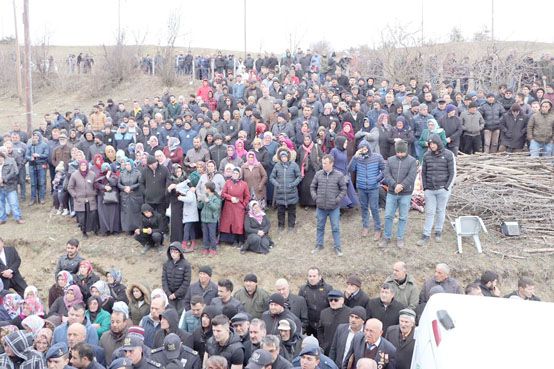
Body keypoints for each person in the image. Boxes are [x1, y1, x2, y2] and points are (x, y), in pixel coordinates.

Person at [415, 134, 456, 247]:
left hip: (443, 189)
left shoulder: (448, 154)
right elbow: (423, 172)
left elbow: (452, 172)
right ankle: (426, 234)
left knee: (440, 211)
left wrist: (447, 187)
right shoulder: (427, 155)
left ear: (438, 143)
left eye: (433, 143)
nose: (432, 146)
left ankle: (438, 231)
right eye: (430, 144)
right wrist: (425, 188)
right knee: (429, 212)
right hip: (430, 190)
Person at [380, 140, 417, 248]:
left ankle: (400, 238)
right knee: (388, 216)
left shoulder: (412, 161)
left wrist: (401, 186)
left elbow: (411, 176)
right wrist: (394, 185)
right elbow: (386, 174)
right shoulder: (390, 160)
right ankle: (387, 237)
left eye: (402, 152)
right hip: (392, 192)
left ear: (406, 151)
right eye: (398, 152)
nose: (400, 154)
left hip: (405, 193)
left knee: (403, 217)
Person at [310, 154, 347, 256]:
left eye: (325, 163)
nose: (323, 165)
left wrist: (337, 200)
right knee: (319, 227)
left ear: (331, 164)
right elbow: (312, 187)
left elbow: (343, 189)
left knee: (335, 228)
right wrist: (315, 198)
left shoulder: (339, 175)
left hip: (334, 208)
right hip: (321, 207)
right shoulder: (318, 174)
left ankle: (337, 247)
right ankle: (319, 245)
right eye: (322, 163)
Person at [347, 140, 384, 240]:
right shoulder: (358, 159)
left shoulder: (377, 157)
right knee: (363, 208)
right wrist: (354, 157)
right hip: (361, 188)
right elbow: (350, 169)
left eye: (365, 147)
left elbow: (384, 170)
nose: (364, 149)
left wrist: (377, 179)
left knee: (374, 208)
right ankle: (365, 226)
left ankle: (378, 229)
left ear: (368, 147)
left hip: (373, 188)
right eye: (362, 148)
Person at [269, 148, 301, 230]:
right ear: (280, 158)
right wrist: (277, 184)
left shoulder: (294, 165)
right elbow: (271, 177)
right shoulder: (277, 166)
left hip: (291, 192)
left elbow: (299, 176)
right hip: (280, 192)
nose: (284, 158)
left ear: (288, 157)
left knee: (292, 211)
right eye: (282, 157)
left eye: (285, 156)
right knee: (280, 211)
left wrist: (293, 184)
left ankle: (291, 225)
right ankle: (281, 225)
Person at [219, 167, 251, 248]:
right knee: (230, 223)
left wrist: (243, 204)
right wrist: (230, 198)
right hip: (229, 206)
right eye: (234, 173)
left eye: (237, 173)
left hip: (239, 206)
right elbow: (223, 193)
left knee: (238, 223)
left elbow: (247, 196)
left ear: (239, 174)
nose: (235, 175)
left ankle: (240, 240)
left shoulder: (244, 184)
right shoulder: (228, 183)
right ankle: (232, 240)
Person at [298, 267, 333, 337]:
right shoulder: (303, 289)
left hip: (323, 324)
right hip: (308, 326)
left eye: (314, 276)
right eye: (310, 276)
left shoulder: (328, 289)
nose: (312, 278)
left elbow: (332, 305)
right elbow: (300, 307)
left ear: (319, 277)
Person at [67, 160, 98, 238]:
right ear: (79, 166)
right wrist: (75, 195)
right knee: (82, 217)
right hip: (80, 200)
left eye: (85, 165)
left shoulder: (92, 174)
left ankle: (94, 229)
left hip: (91, 199)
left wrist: (94, 193)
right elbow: (70, 187)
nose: (83, 167)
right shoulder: (74, 175)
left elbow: (96, 185)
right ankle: (84, 232)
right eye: (82, 165)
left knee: (92, 215)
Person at [318, 291, 351, 356]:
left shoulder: (349, 313)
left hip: (343, 349)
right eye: (330, 300)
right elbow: (320, 330)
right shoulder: (324, 313)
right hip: (327, 349)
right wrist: (323, 344)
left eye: (336, 300)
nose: (333, 302)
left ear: (342, 301)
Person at [162, 242, 192, 315]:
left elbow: (186, 282)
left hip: (182, 296)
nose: (173, 254)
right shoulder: (167, 264)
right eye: (172, 251)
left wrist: (176, 294)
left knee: (180, 314)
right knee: (170, 314)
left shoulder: (186, 265)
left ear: (180, 253)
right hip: (169, 295)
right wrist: (168, 293)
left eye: (176, 252)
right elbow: (164, 280)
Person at [118, 159, 143, 235]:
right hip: (125, 195)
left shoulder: (137, 173)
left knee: (135, 213)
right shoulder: (122, 173)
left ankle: (136, 228)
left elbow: (140, 183)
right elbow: (119, 183)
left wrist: (131, 187)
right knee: (126, 213)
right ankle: (127, 229)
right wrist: (124, 188)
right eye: (126, 165)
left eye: (129, 165)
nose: (127, 166)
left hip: (134, 195)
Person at [296, 135, 323, 207]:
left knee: (314, 186)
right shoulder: (301, 148)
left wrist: (319, 165)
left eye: (308, 140)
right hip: (305, 171)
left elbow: (321, 156)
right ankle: (306, 203)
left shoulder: (316, 147)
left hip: (314, 170)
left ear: (310, 140)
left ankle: (314, 202)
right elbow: (298, 159)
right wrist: (300, 167)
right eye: (305, 140)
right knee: (305, 187)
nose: (307, 141)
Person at [25, 131, 49, 205]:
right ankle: (33, 198)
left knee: (41, 182)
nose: (35, 138)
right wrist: (30, 158)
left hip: (41, 165)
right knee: (33, 183)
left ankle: (41, 198)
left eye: (37, 136)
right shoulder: (30, 145)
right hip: (32, 166)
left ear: (39, 137)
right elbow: (26, 155)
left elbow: (46, 154)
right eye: (34, 137)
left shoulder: (44, 145)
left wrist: (38, 155)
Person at [198, 182, 223, 256]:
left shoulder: (216, 198)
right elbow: (200, 207)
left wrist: (208, 202)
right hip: (204, 219)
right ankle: (206, 248)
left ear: (209, 189)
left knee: (212, 235)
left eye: (205, 188)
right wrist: (199, 201)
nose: (204, 189)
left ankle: (213, 249)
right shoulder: (205, 196)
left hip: (212, 220)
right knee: (205, 234)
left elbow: (215, 208)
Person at [0, 152, 24, 224]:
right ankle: (2, 218)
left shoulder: (10, 162)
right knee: (1, 204)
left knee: (14, 203)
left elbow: (14, 172)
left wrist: (3, 179)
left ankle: (18, 218)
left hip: (10, 186)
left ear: (2, 157)